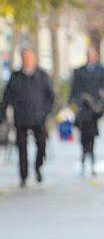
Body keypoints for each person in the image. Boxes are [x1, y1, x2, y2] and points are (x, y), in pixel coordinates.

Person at [0, 49, 56, 187]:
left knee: (41, 144)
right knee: (21, 147)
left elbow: (51, 97)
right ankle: (23, 175)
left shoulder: (42, 75)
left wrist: (46, 112)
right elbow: (7, 98)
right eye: (25, 58)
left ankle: (38, 166)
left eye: (30, 58)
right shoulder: (16, 76)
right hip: (21, 118)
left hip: (39, 118)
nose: (28, 60)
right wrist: (2, 116)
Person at [69, 47, 104, 176]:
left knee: (92, 136)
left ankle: (91, 160)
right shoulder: (79, 71)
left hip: (95, 111)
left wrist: (101, 101)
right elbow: (74, 89)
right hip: (83, 110)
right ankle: (84, 159)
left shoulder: (101, 71)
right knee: (83, 137)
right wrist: (75, 102)